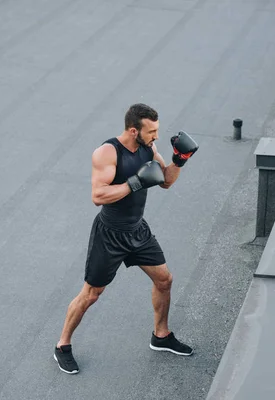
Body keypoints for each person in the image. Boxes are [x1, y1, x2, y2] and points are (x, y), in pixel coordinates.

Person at [54, 103, 199, 374]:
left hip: (137, 230)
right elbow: (98, 196)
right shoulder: (107, 153)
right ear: (134, 130)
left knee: (164, 280)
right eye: (151, 131)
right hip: (109, 235)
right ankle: (62, 345)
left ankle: (161, 335)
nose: (156, 136)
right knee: (91, 294)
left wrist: (180, 159)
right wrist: (134, 182)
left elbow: (165, 181)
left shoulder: (148, 148)